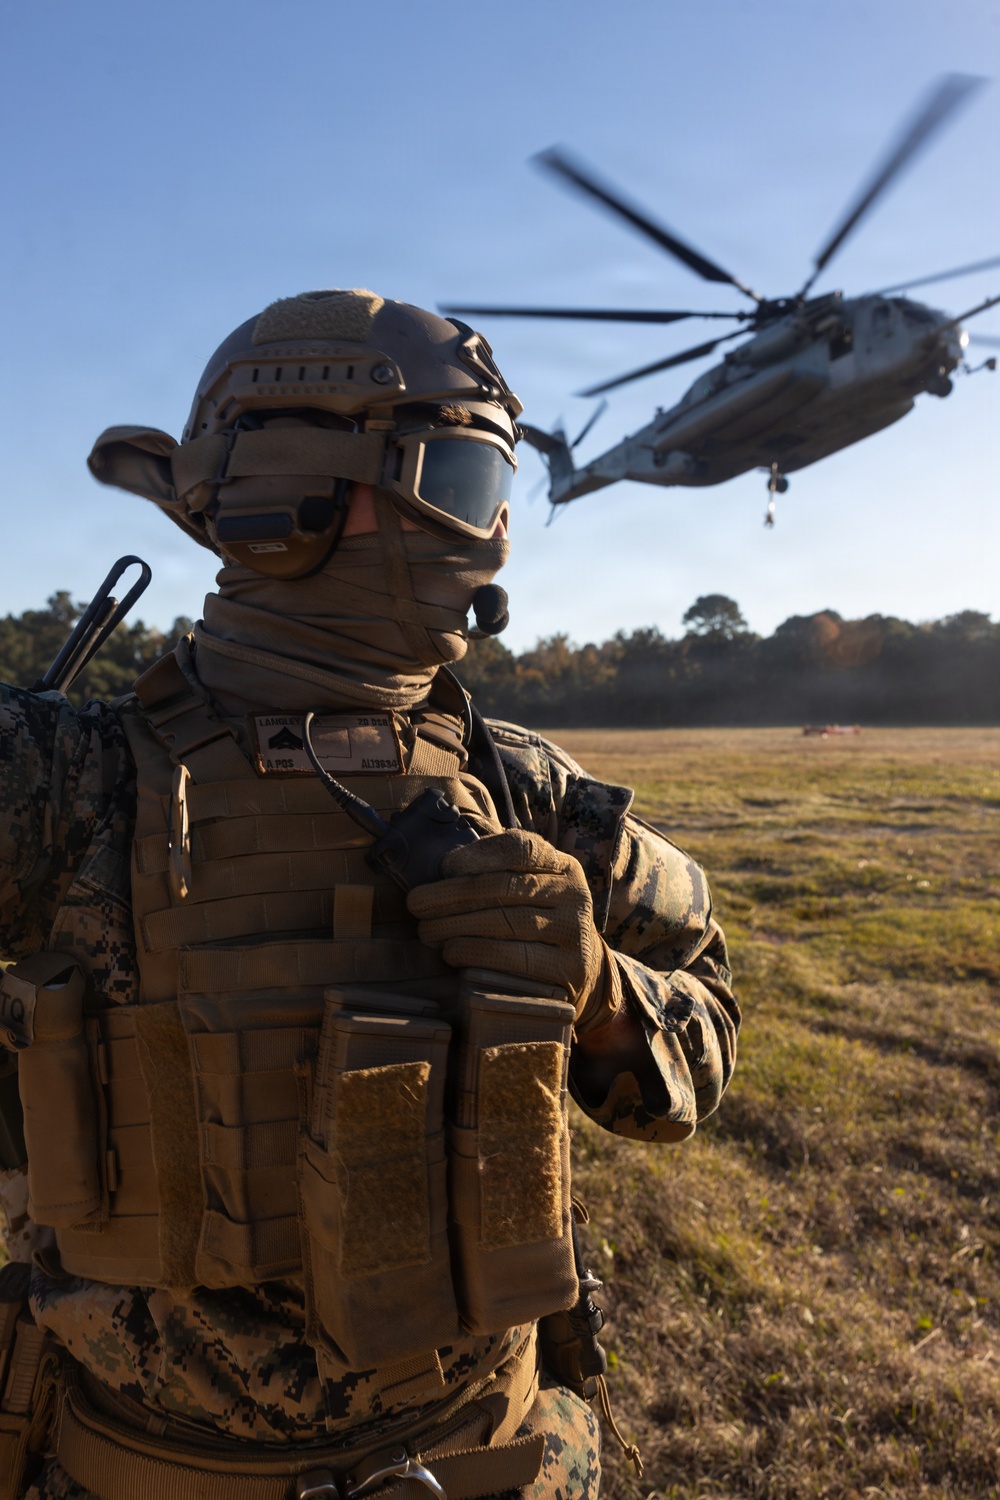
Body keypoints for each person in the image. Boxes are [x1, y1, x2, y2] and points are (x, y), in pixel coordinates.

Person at [0, 290, 739, 1500]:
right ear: (285, 490)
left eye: (494, 492)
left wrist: (600, 991)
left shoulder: (525, 792)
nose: (491, 536)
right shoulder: (62, 781)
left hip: (488, 1452)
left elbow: (701, 1047)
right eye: (458, 481)